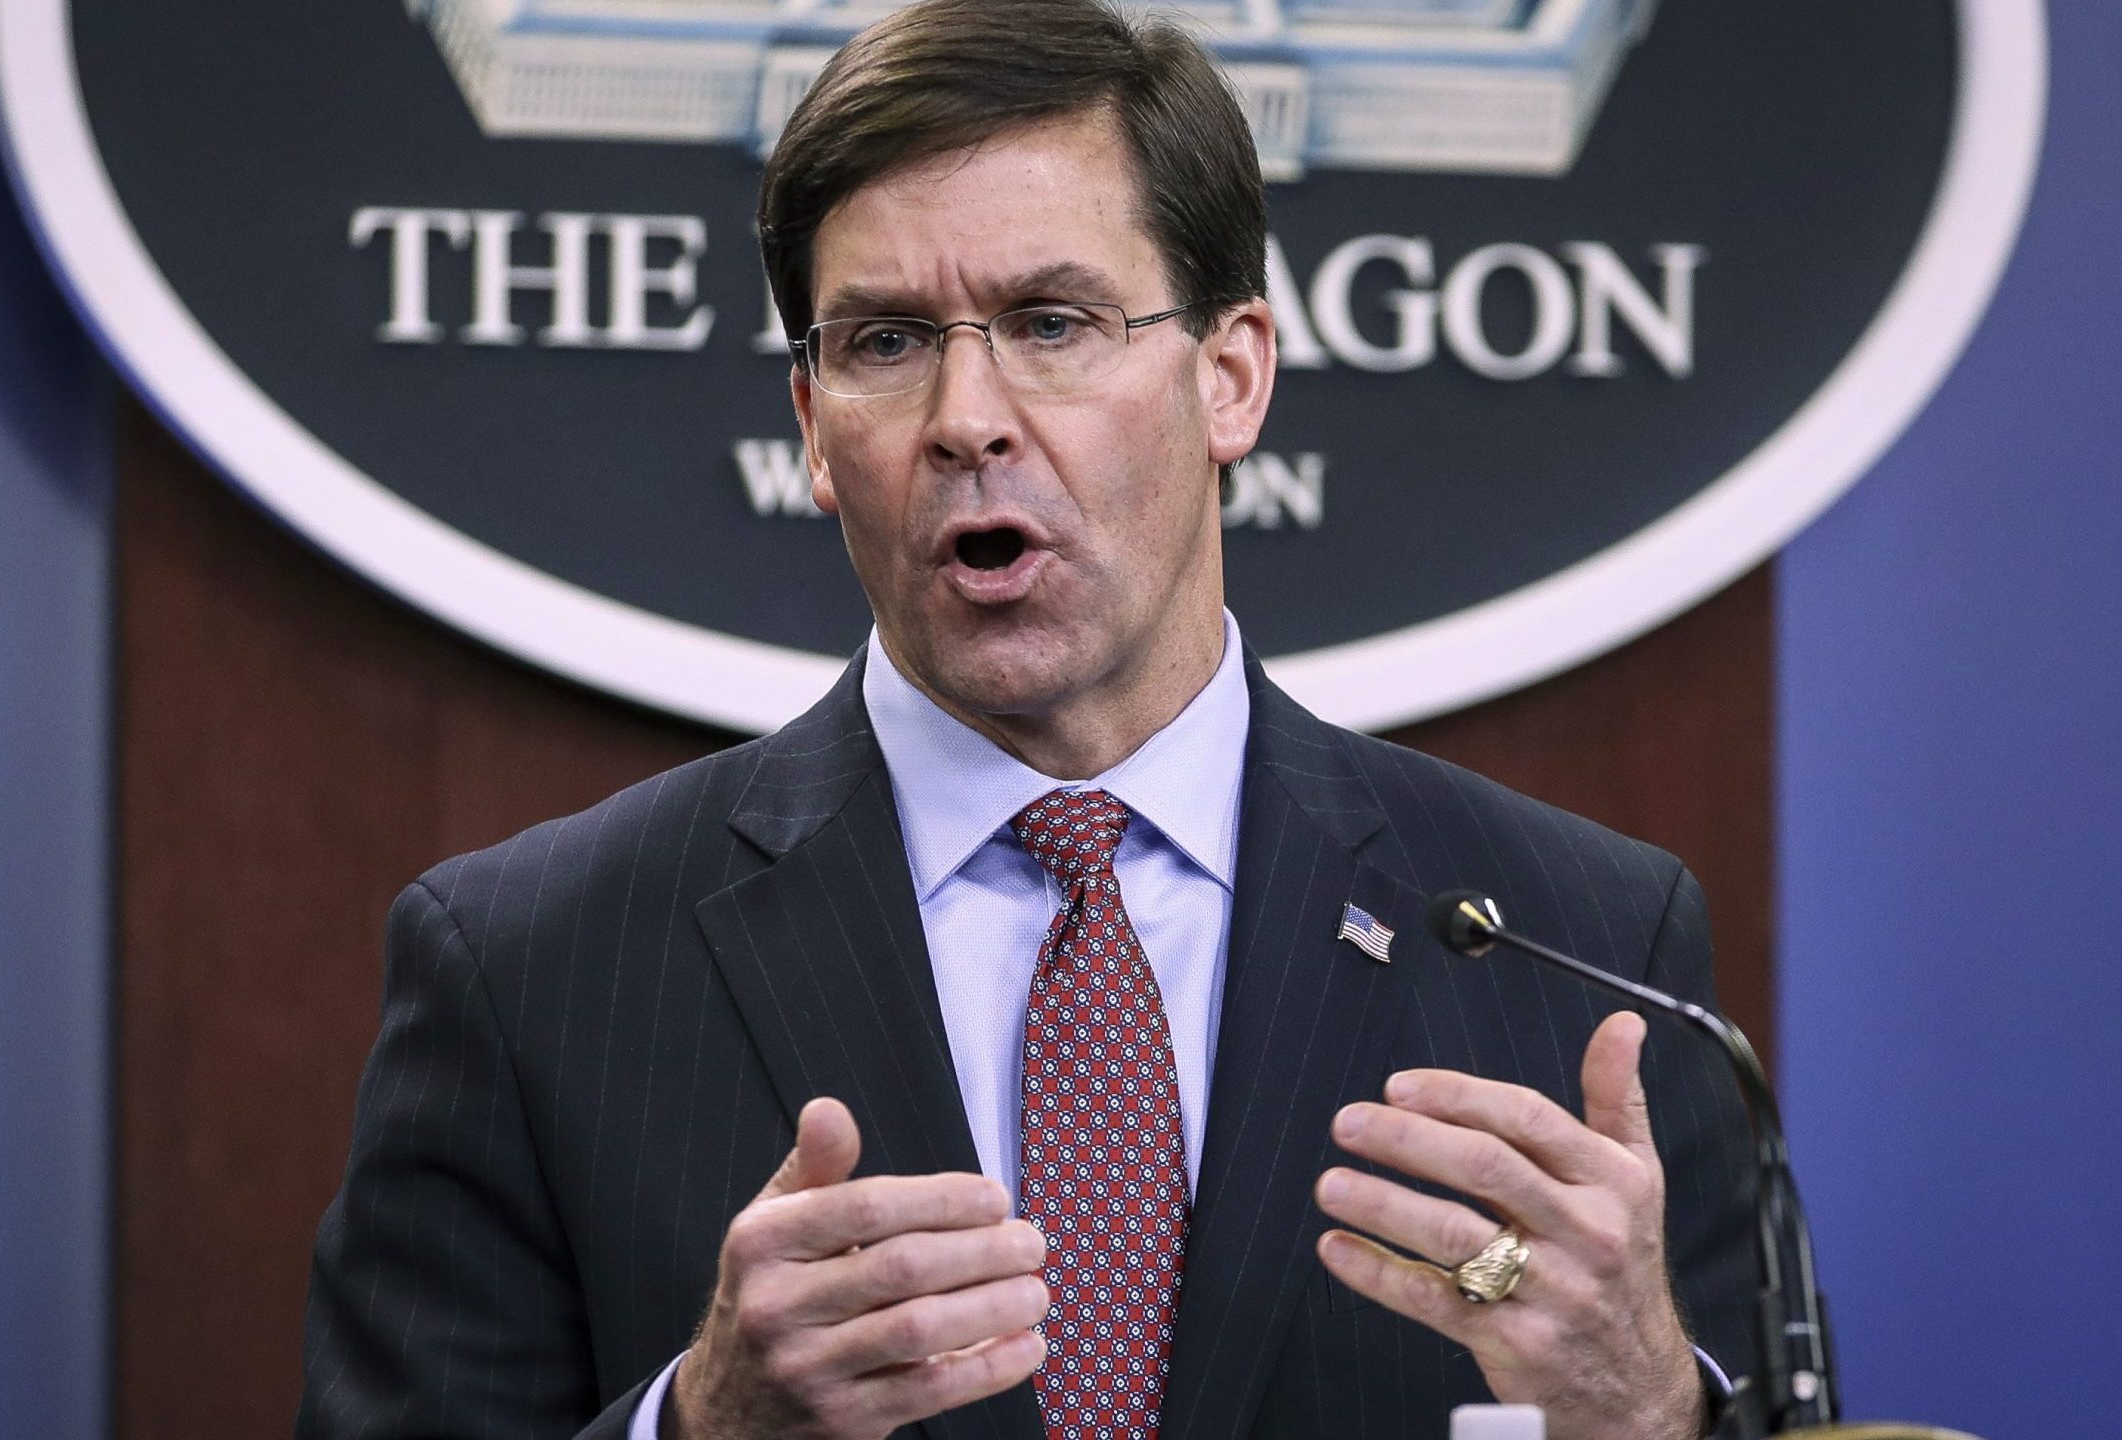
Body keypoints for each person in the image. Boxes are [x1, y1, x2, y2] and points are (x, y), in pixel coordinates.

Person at [296, 1, 1757, 1436]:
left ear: (1231, 374)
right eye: (882, 343)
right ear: (811, 425)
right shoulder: (530, 966)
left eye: (1051, 322)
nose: (965, 417)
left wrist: (1653, 1411)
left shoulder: (1583, 950)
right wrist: (702, 1429)